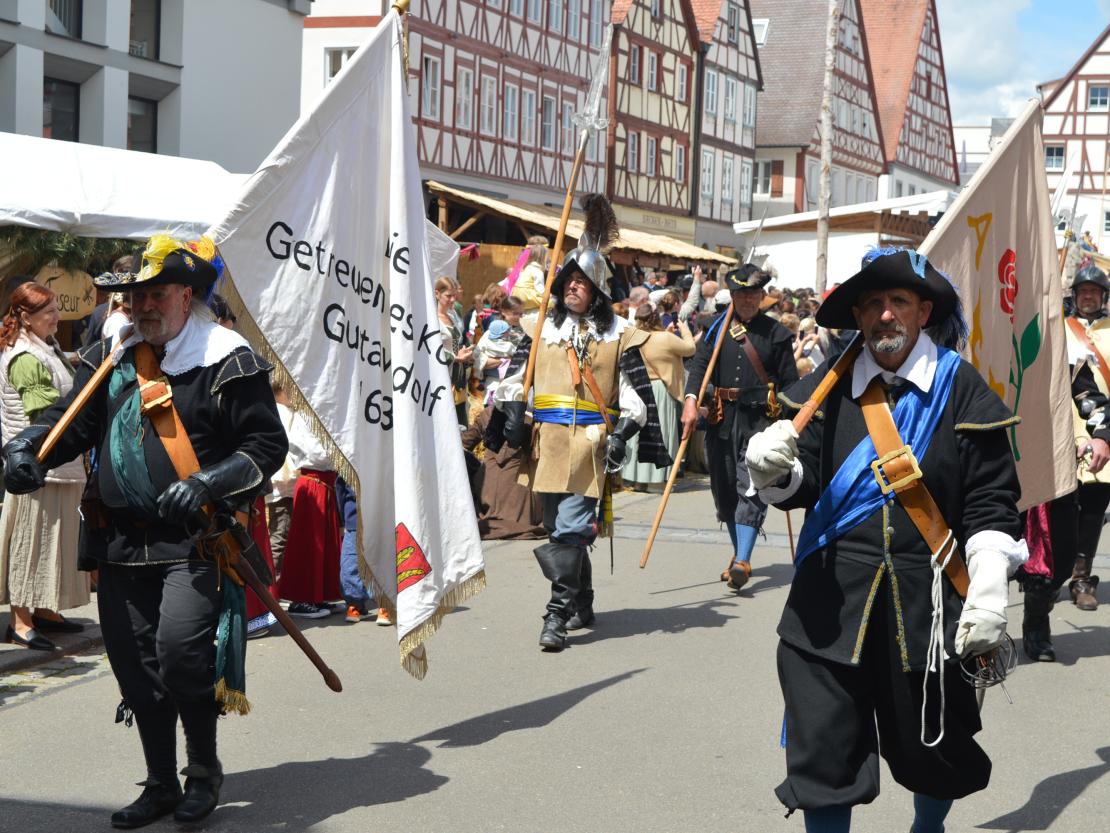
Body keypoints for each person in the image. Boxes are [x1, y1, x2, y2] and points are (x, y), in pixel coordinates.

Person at [1, 234, 287, 827]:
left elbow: (265, 446)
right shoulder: (111, 351)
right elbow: (68, 423)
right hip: (119, 541)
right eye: (134, 297)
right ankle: (159, 782)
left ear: (186, 294)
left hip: (193, 541)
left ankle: (202, 772)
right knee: (136, 670)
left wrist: (208, 484)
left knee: (181, 656)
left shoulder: (227, 356)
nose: (142, 306)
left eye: (155, 293)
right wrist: (27, 448)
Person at [744, 248, 1026, 833]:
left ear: (924, 311)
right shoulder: (826, 389)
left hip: (929, 611)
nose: (885, 315)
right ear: (859, 316)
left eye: (898, 301)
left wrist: (991, 587)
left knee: (935, 748)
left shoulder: (963, 388)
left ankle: (929, 827)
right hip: (828, 611)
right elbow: (806, 485)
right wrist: (774, 472)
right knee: (823, 751)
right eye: (872, 303)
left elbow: (990, 500)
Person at [491, 194, 670, 651]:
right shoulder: (539, 330)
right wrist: (512, 413)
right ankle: (583, 598)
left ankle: (554, 617)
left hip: (590, 443)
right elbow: (513, 381)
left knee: (569, 530)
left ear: (597, 289)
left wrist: (623, 436)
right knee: (560, 530)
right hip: (546, 442)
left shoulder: (616, 335)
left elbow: (635, 401)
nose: (572, 286)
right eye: (567, 280)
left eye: (581, 281)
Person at [680, 264, 797, 591]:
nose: (747, 299)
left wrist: (788, 422)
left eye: (753, 294)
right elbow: (699, 369)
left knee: (751, 485)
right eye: (741, 293)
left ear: (762, 296)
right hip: (720, 419)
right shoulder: (716, 330)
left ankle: (743, 559)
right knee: (725, 488)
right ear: (732, 295)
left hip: (761, 420)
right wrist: (691, 400)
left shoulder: (777, 334)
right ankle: (737, 556)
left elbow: (790, 383)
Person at [0, 281, 90, 651]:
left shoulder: (44, 347)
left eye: (56, 309)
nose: (57, 317)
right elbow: (44, 414)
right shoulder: (25, 357)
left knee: (53, 542)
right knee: (30, 542)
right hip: (36, 469)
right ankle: (20, 622)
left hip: (55, 467)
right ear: (26, 318)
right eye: (49, 312)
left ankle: (44, 610)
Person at [622, 304, 695, 490]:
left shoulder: (631, 336)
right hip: (660, 390)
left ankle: (637, 480)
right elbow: (690, 349)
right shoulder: (666, 338)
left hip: (638, 387)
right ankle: (657, 480)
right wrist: (685, 330)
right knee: (659, 434)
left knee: (638, 433)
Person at [435, 277, 474, 426]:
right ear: (437, 294)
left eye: (454, 295)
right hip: (441, 379)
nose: (453, 300)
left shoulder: (453, 316)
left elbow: (460, 340)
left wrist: (468, 352)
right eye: (448, 296)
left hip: (457, 380)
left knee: (460, 425)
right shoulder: (432, 319)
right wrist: (455, 358)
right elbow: (431, 350)